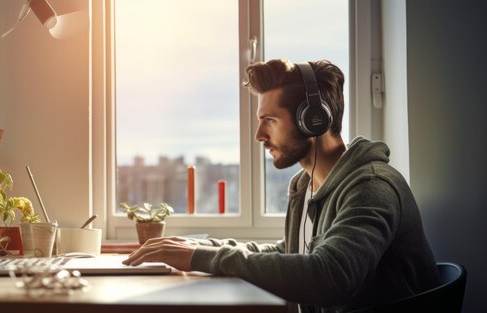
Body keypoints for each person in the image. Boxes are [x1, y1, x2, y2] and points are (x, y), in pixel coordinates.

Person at [123, 59, 440, 313]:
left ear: (314, 120)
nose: (259, 135)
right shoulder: (306, 185)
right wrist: (200, 249)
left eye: (270, 120)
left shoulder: (371, 187)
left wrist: (200, 259)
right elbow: (291, 252)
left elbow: (330, 275)